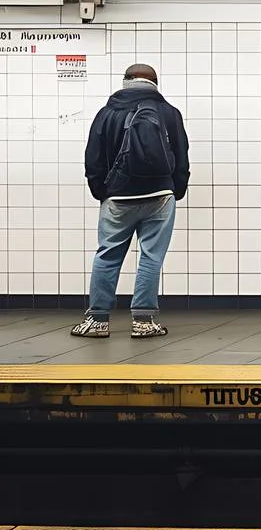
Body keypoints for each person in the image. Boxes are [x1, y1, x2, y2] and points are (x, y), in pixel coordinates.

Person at [74, 63, 190, 339]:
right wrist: (176, 189)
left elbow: (93, 155)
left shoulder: (108, 112)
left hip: (118, 194)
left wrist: (101, 190)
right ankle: (144, 320)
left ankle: (97, 321)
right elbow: (182, 154)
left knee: (108, 255)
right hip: (160, 195)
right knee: (151, 257)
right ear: (155, 83)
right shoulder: (169, 113)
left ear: (125, 81)